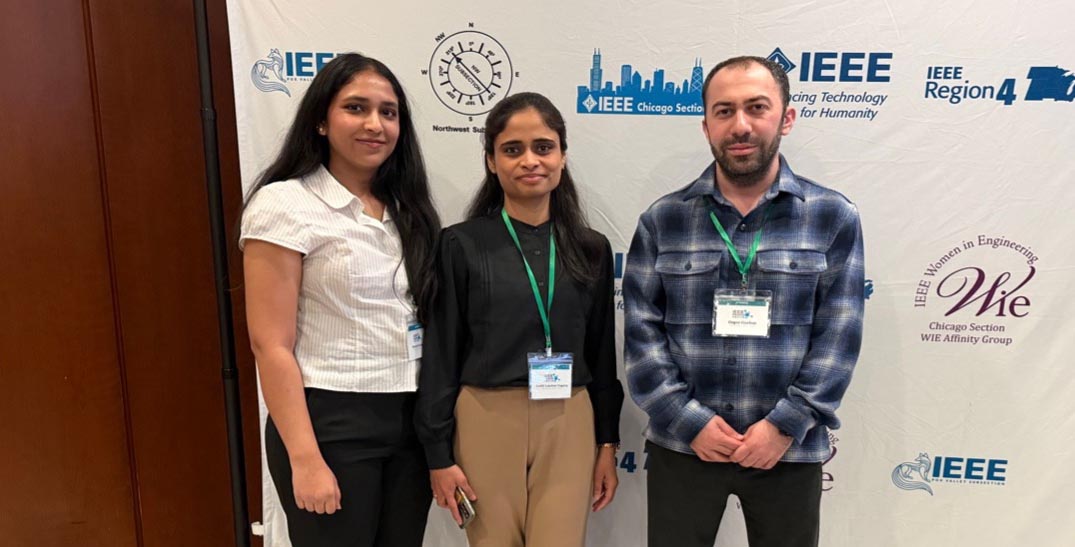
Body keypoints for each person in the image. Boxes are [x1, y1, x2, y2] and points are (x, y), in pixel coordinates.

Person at [623, 56, 865, 547]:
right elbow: (641, 336)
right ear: (706, 124)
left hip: (787, 450)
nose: (740, 125)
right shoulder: (662, 220)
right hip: (684, 447)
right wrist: (690, 421)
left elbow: (839, 336)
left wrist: (784, 425)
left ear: (787, 117)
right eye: (724, 110)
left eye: (757, 107)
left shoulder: (832, 217)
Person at [240, 53, 440, 547]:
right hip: (329, 423)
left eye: (388, 112)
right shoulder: (286, 204)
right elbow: (271, 346)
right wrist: (305, 460)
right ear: (321, 121)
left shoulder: (407, 210)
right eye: (356, 108)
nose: (375, 124)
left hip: (408, 422)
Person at [415, 92, 624, 547]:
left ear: (563, 156)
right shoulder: (461, 245)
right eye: (513, 149)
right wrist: (437, 454)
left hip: (568, 419)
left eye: (543, 147)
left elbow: (602, 352)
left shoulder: (591, 248)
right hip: (485, 417)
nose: (530, 160)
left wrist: (607, 443)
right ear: (491, 161)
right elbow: (441, 353)